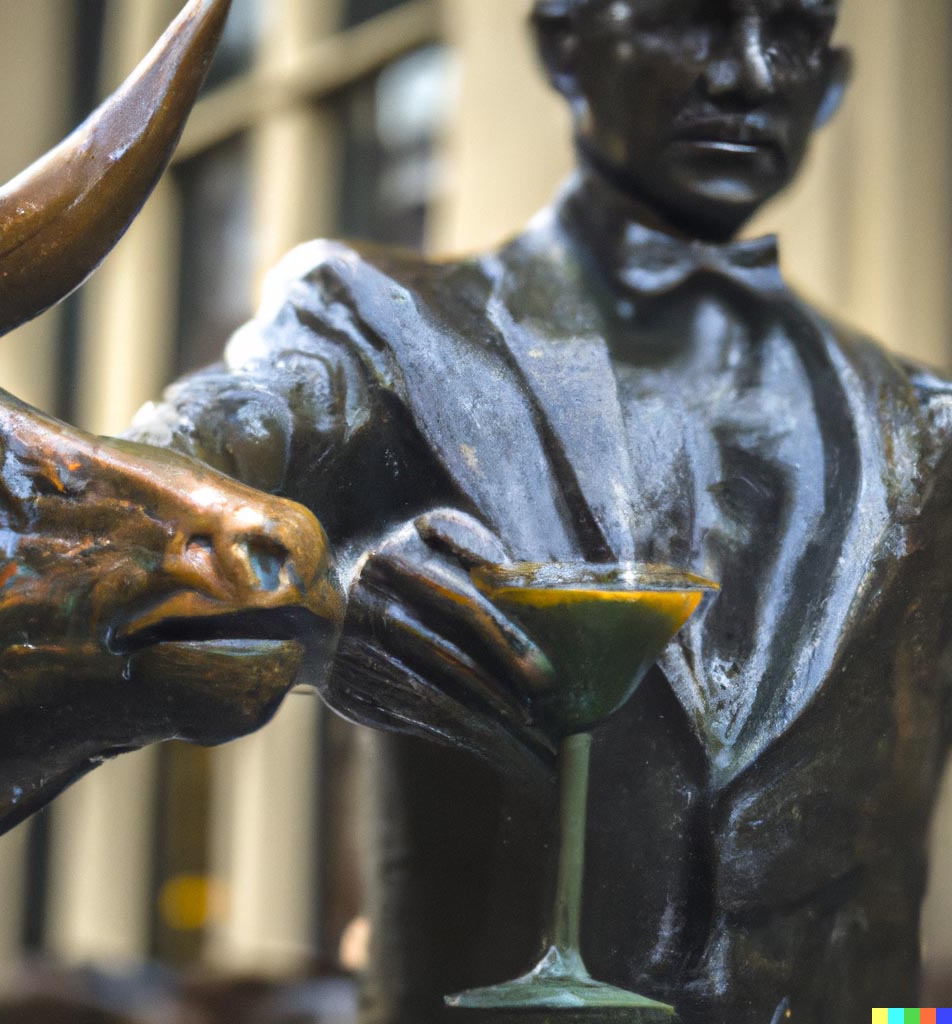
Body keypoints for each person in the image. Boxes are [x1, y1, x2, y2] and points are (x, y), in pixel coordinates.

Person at [130, 0, 952, 1019]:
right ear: (566, 45)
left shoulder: (926, 427)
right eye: (691, 19)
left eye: (788, 30)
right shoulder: (374, 325)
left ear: (827, 81)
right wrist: (322, 600)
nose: (746, 74)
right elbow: (127, 515)